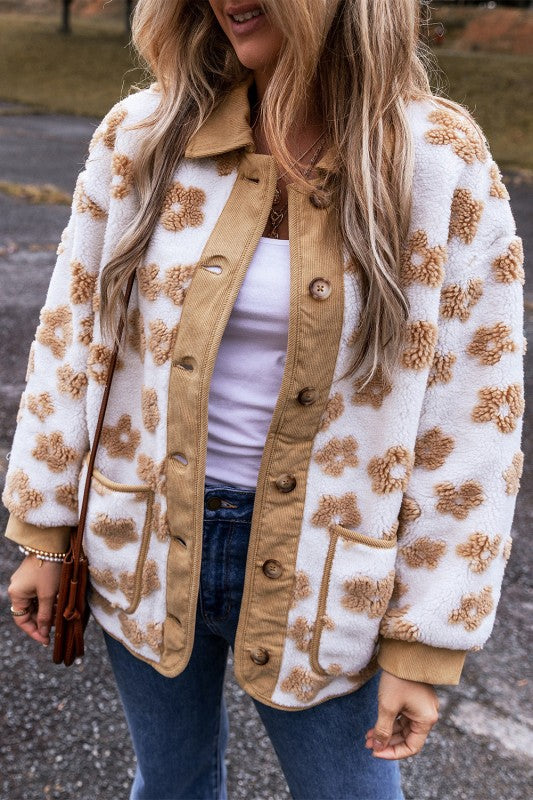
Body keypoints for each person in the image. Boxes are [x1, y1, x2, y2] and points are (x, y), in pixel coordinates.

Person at [3, 1, 525, 798]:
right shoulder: (144, 136)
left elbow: (472, 417)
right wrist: (42, 530)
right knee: (170, 785)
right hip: (143, 535)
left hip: (329, 579)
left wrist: (424, 647)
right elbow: (73, 335)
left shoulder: (435, 163)